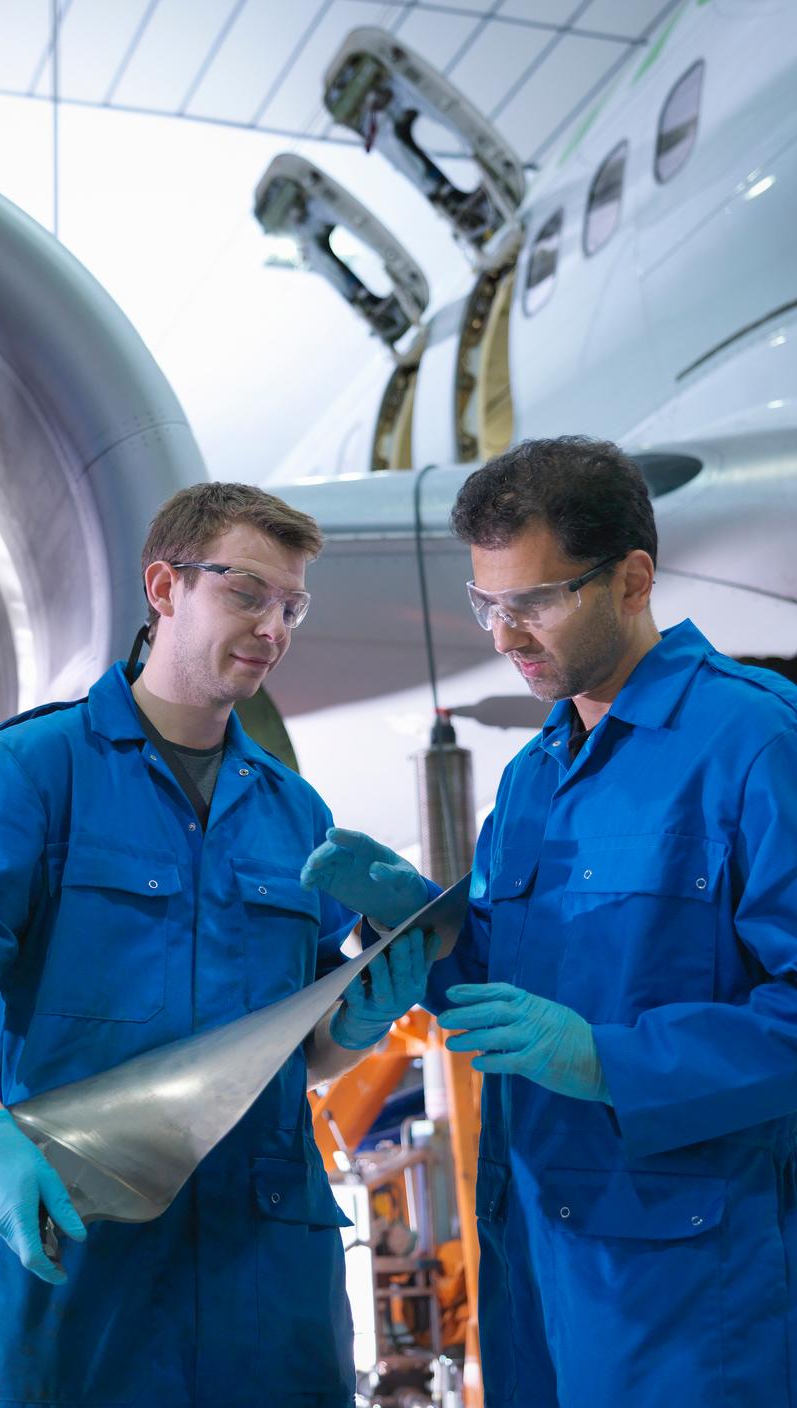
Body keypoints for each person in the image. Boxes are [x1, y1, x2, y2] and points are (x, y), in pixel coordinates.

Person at [0, 482, 435, 1408]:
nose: (274, 627)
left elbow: (304, 1056)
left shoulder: (296, 812)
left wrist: (363, 1010)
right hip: (81, 1250)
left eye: (292, 605)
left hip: (267, 1270)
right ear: (166, 586)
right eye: (248, 593)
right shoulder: (35, 769)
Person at [301, 437, 797, 1407]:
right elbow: (509, 1001)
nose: (502, 635)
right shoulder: (534, 774)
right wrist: (430, 933)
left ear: (632, 579)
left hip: (697, 1295)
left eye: (532, 601)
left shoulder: (756, 741)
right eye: (486, 604)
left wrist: (610, 1060)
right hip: (530, 1262)